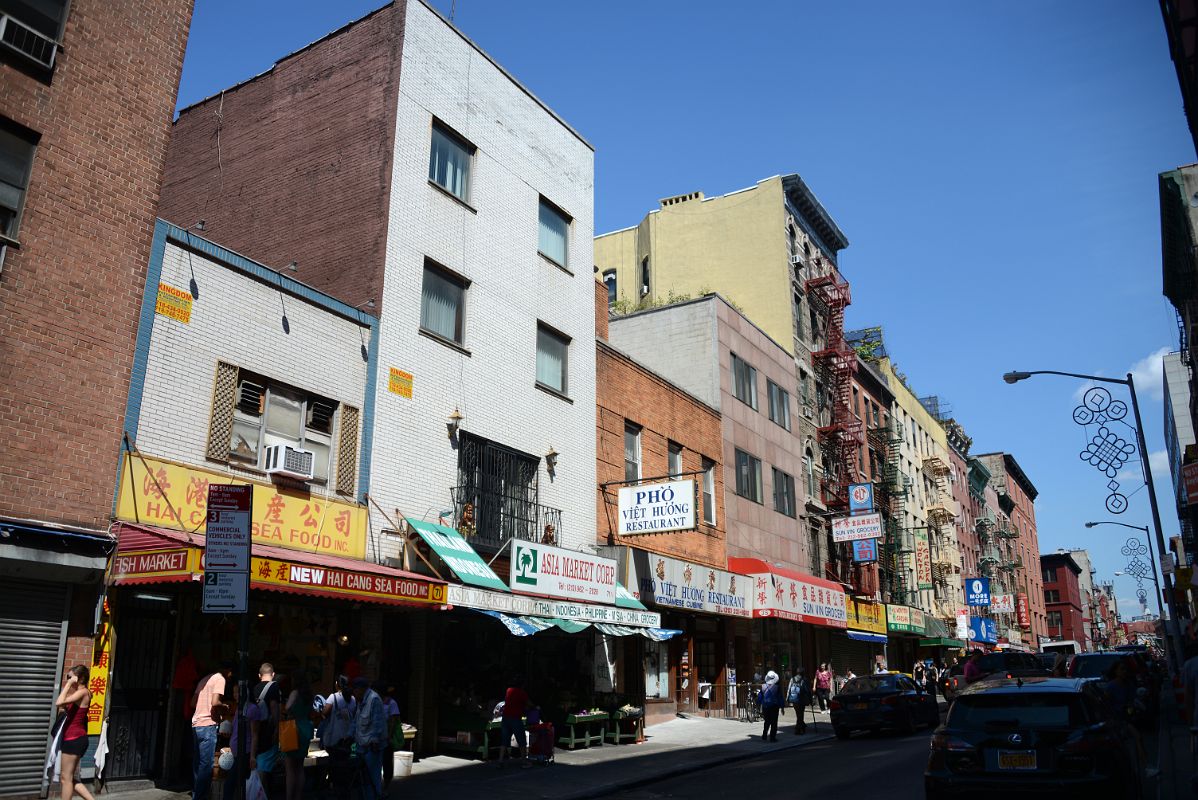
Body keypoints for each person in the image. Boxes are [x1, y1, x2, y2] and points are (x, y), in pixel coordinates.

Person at [191, 661, 233, 800]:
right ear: (228, 671)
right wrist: (224, 706)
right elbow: (215, 702)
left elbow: (193, 703)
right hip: (208, 724)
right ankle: (200, 797)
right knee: (206, 764)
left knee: (198, 764)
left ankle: (196, 794)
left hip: (196, 724)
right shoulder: (220, 678)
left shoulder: (204, 679)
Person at [55, 665, 97, 800]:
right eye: (68, 677)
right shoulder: (79, 694)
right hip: (73, 738)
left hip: (74, 738)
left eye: (71, 677)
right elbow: (62, 707)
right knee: (67, 778)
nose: (69, 680)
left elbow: (59, 702)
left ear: (81, 678)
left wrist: (68, 684)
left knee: (65, 779)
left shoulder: (83, 692)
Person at [351, 676, 387, 799]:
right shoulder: (360, 700)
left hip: (372, 748)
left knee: (372, 779)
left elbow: (378, 723)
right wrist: (349, 736)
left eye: (354, 690)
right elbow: (356, 721)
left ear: (361, 689)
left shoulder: (374, 699)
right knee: (363, 779)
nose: (353, 693)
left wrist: (374, 741)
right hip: (361, 745)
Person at [281, 669, 314, 800]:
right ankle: (298, 797)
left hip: (293, 729)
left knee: (290, 768)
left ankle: (289, 797)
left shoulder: (295, 692)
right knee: (300, 767)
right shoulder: (309, 694)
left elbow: (288, 707)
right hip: (306, 728)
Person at [249, 663, 281, 779]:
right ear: (273, 674)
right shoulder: (274, 687)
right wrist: (277, 728)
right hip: (269, 731)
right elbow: (274, 708)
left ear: (259, 675)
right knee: (265, 767)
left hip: (256, 730)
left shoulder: (254, 689)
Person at [498, 676, 531, 767]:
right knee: (521, 740)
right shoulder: (522, 693)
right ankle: (524, 761)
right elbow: (529, 703)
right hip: (515, 718)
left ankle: (500, 761)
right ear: (522, 685)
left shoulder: (508, 690)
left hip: (505, 718)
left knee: (504, 741)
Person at [380, 683, 401, 789]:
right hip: (378, 737)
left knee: (387, 762)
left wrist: (389, 736)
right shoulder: (377, 701)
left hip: (386, 738)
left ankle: (386, 787)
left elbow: (393, 721)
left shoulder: (391, 703)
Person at [786, 668, 813, 735]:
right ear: (803, 673)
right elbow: (807, 690)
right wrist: (810, 699)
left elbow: (789, 689)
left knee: (798, 714)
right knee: (800, 714)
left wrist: (787, 698)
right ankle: (798, 729)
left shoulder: (792, 679)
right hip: (801, 699)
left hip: (794, 699)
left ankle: (802, 726)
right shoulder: (804, 680)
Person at [759, 670, 782, 742]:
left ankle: (764, 735)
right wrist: (782, 707)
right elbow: (780, 697)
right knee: (774, 722)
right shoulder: (777, 687)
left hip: (765, 706)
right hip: (774, 706)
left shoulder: (763, 686)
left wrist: (759, 704)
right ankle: (772, 737)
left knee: (767, 721)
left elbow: (760, 697)